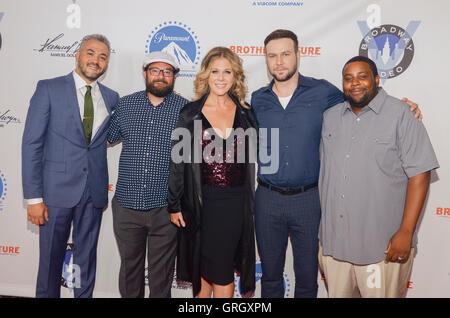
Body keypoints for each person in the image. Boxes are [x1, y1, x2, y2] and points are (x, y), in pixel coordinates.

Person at [251, 29, 422, 298]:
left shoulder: (323, 92)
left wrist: (405, 108)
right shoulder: (257, 99)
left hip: (308, 200)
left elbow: (363, 96)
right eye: (272, 56)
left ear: (298, 55)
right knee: (270, 277)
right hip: (267, 198)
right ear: (266, 59)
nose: (279, 61)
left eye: (285, 54)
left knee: (308, 277)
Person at [318, 56, 439, 298]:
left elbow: (420, 175)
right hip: (335, 244)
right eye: (348, 78)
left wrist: (406, 232)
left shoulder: (402, 114)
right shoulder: (330, 117)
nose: (355, 84)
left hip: (382, 248)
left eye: (362, 77)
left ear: (376, 79)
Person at [22, 34, 119, 298]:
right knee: (51, 261)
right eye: (90, 53)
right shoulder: (49, 88)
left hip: (93, 192)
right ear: (77, 55)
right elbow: (32, 144)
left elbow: (110, 136)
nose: (96, 60)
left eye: (102, 56)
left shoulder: (112, 98)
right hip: (55, 193)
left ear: (107, 63)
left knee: (86, 261)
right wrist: (33, 198)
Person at [168, 47, 257, 298]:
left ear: (235, 76)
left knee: (222, 272)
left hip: (235, 205)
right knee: (202, 271)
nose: (220, 77)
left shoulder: (246, 112)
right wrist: (174, 205)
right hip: (200, 204)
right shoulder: (190, 113)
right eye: (215, 71)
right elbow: (178, 164)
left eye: (227, 71)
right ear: (205, 75)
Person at [107, 51, 188, 298]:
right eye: (155, 70)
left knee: (161, 276)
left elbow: (192, 161)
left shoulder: (186, 110)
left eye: (167, 72)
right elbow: (107, 139)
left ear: (174, 76)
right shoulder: (126, 104)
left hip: (166, 209)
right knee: (130, 271)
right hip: (127, 205)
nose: (160, 76)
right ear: (145, 73)